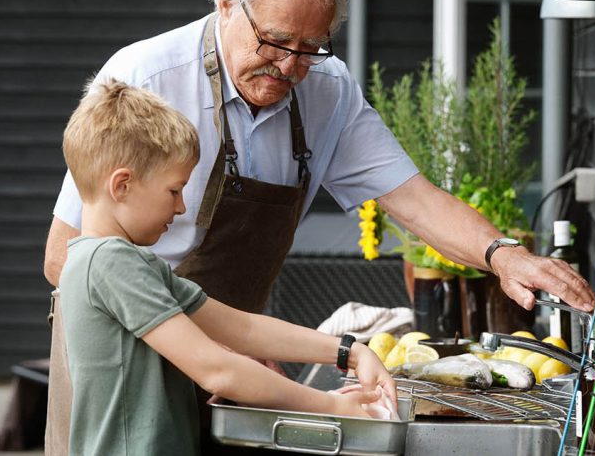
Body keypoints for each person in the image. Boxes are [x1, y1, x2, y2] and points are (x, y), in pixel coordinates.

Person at [43, 0, 595, 451]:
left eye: (310, 48)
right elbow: (62, 257)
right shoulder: (146, 78)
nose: (288, 65)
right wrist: (229, 361)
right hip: (123, 376)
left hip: (226, 348)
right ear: (228, 3)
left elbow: (414, 198)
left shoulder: (328, 92)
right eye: (277, 40)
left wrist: (503, 256)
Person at [57, 80, 395, 456]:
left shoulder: (127, 263)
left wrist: (349, 350)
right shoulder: (110, 262)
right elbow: (217, 369)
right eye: (174, 190)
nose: (182, 207)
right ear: (122, 185)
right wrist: (333, 408)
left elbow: (243, 328)